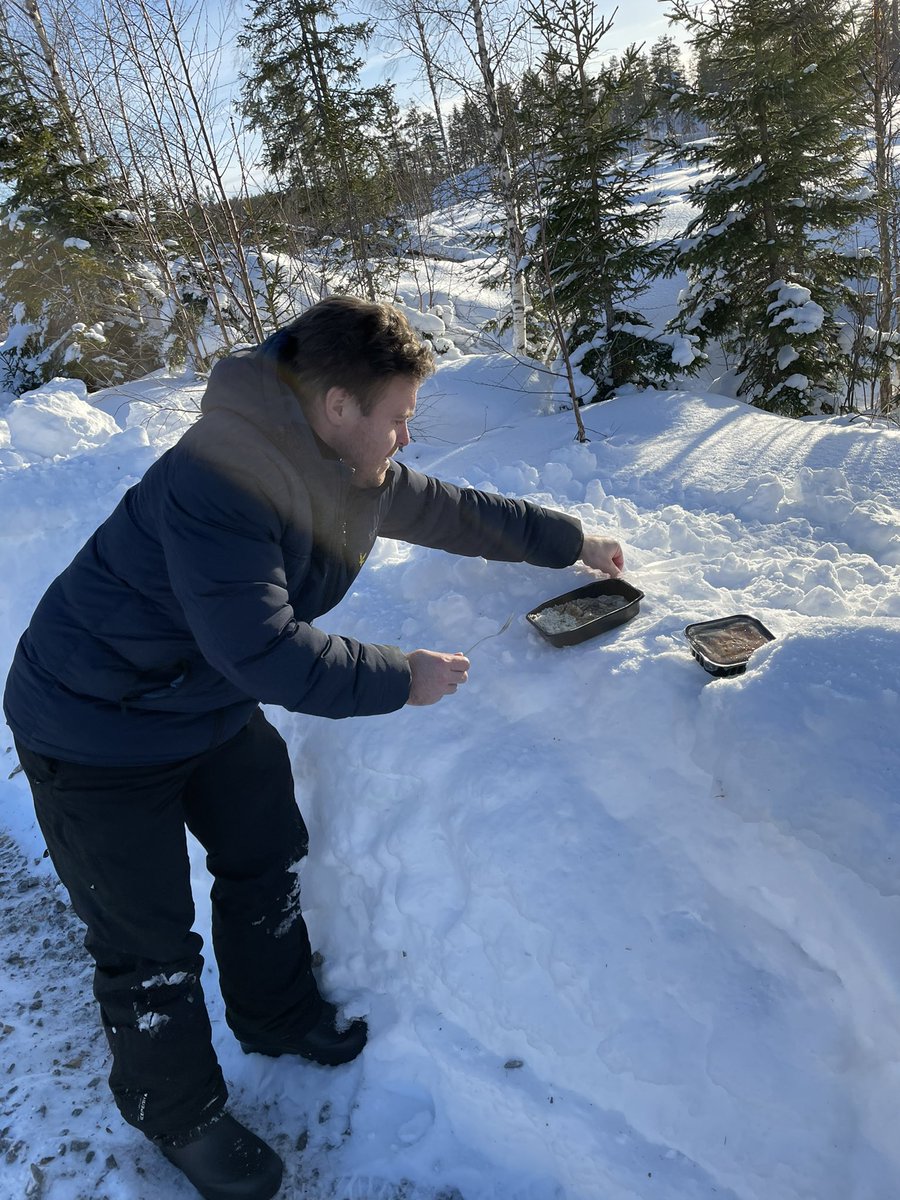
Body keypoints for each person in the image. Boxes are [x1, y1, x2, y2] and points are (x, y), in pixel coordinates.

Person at [3, 296, 624, 1200]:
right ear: (338, 406)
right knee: (147, 943)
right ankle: (176, 1112)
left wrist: (574, 541)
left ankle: (275, 1013)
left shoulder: (343, 465)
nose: (406, 438)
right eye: (399, 417)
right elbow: (265, 651)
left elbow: (457, 512)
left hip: (198, 699)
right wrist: (398, 675)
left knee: (264, 851)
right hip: (93, 723)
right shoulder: (222, 481)